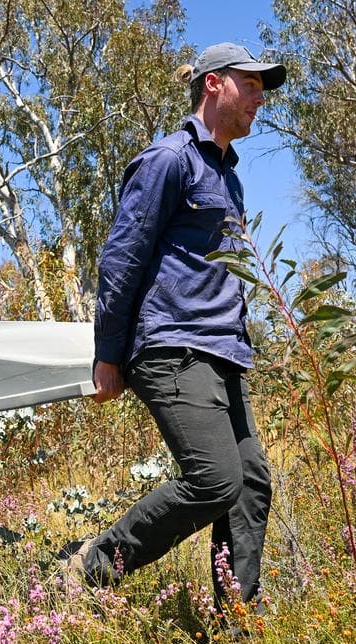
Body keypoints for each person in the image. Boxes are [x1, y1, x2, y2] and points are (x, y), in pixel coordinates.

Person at [66, 43, 285, 610]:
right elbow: (121, 257)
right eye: (251, 84)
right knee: (214, 479)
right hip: (172, 347)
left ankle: (239, 621)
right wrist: (108, 355)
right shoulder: (169, 159)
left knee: (250, 483)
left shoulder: (227, 176)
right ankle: (91, 568)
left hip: (221, 352)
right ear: (214, 84)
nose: (261, 97)